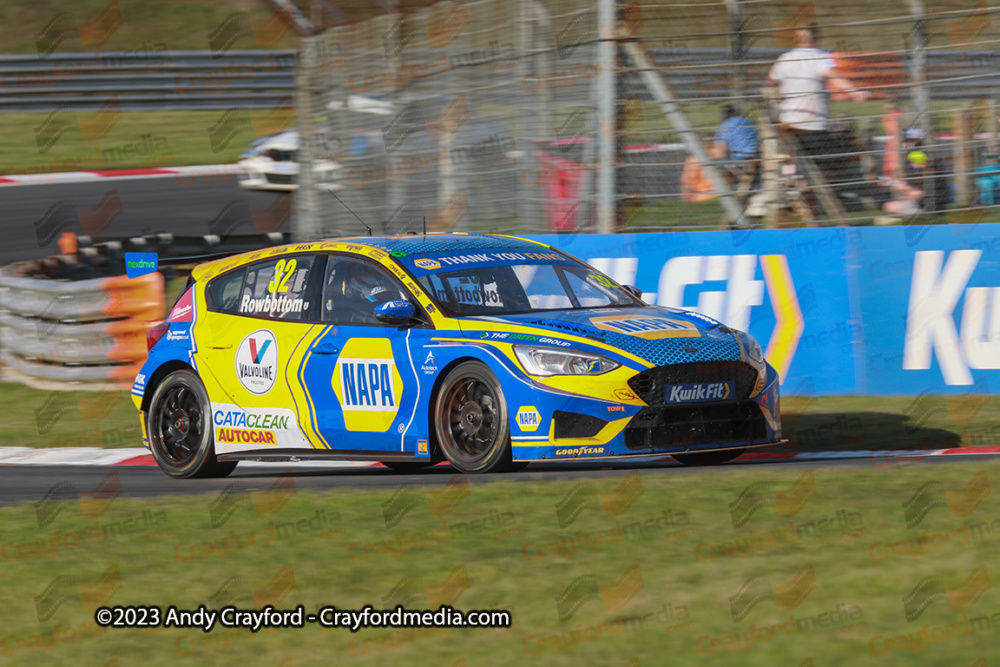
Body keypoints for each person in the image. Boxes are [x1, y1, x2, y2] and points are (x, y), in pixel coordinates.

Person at [680, 136, 723, 202]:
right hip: (719, 194)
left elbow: (687, 183)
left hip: (701, 196)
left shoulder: (692, 161)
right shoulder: (719, 156)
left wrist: (685, 198)